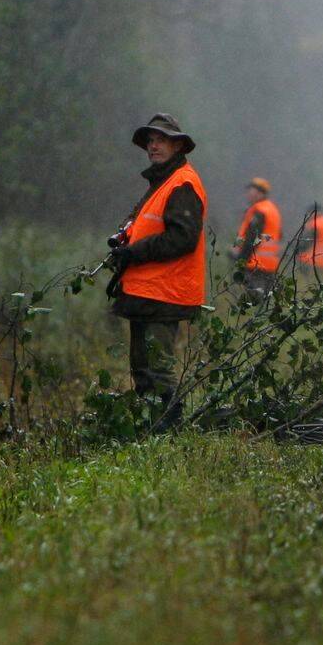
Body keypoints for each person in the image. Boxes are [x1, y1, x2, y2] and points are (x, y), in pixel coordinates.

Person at [108, 113, 207, 420]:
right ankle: (151, 430)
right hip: (148, 292)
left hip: (165, 293)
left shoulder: (183, 184)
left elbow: (183, 238)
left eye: (161, 139)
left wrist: (134, 253)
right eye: (150, 140)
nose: (153, 145)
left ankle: (168, 434)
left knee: (158, 371)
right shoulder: (162, 181)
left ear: (178, 145)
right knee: (142, 370)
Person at [233, 177, 283, 300]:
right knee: (263, 304)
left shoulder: (260, 210)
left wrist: (241, 260)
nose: (248, 193)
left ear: (260, 193)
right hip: (270, 265)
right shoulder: (272, 209)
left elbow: (252, 239)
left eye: (251, 190)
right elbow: (279, 235)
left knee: (251, 302)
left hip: (255, 264)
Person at [297, 202, 323, 278]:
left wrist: (297, 251)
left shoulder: (315, 223)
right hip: (322, 261)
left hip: (308, 260)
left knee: (306, 286)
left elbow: (306, 242)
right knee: (317, 286)